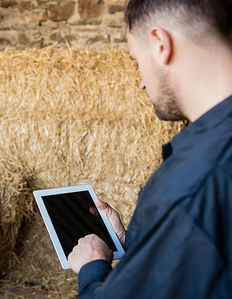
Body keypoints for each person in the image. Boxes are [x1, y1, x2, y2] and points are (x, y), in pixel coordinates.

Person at [68, 0, 232, 298]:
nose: (142, 83)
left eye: (136, 61)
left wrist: (93, 266)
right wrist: (133, 240)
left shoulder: (191, 184)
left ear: (160, 44)